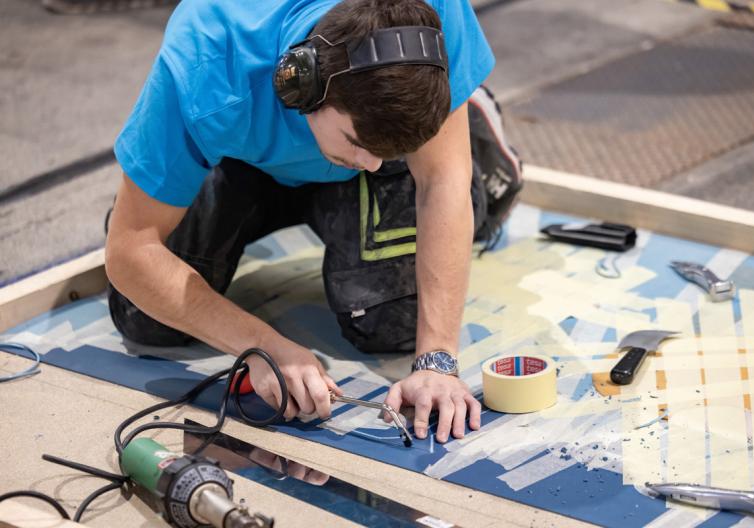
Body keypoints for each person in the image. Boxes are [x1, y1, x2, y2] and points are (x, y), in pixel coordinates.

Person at [105, 0, 522, 444]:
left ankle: (467, 111)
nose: (375, 165)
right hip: (241, 154)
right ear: (297, 82)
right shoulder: (207, 57)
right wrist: (261, 345)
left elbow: (440, 180)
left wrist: (437, 360)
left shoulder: (433, 14)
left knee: (391, 321)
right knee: (144, 318)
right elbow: (131, 249)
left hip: (356, 144)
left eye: (383, 152)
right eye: (359, 144)